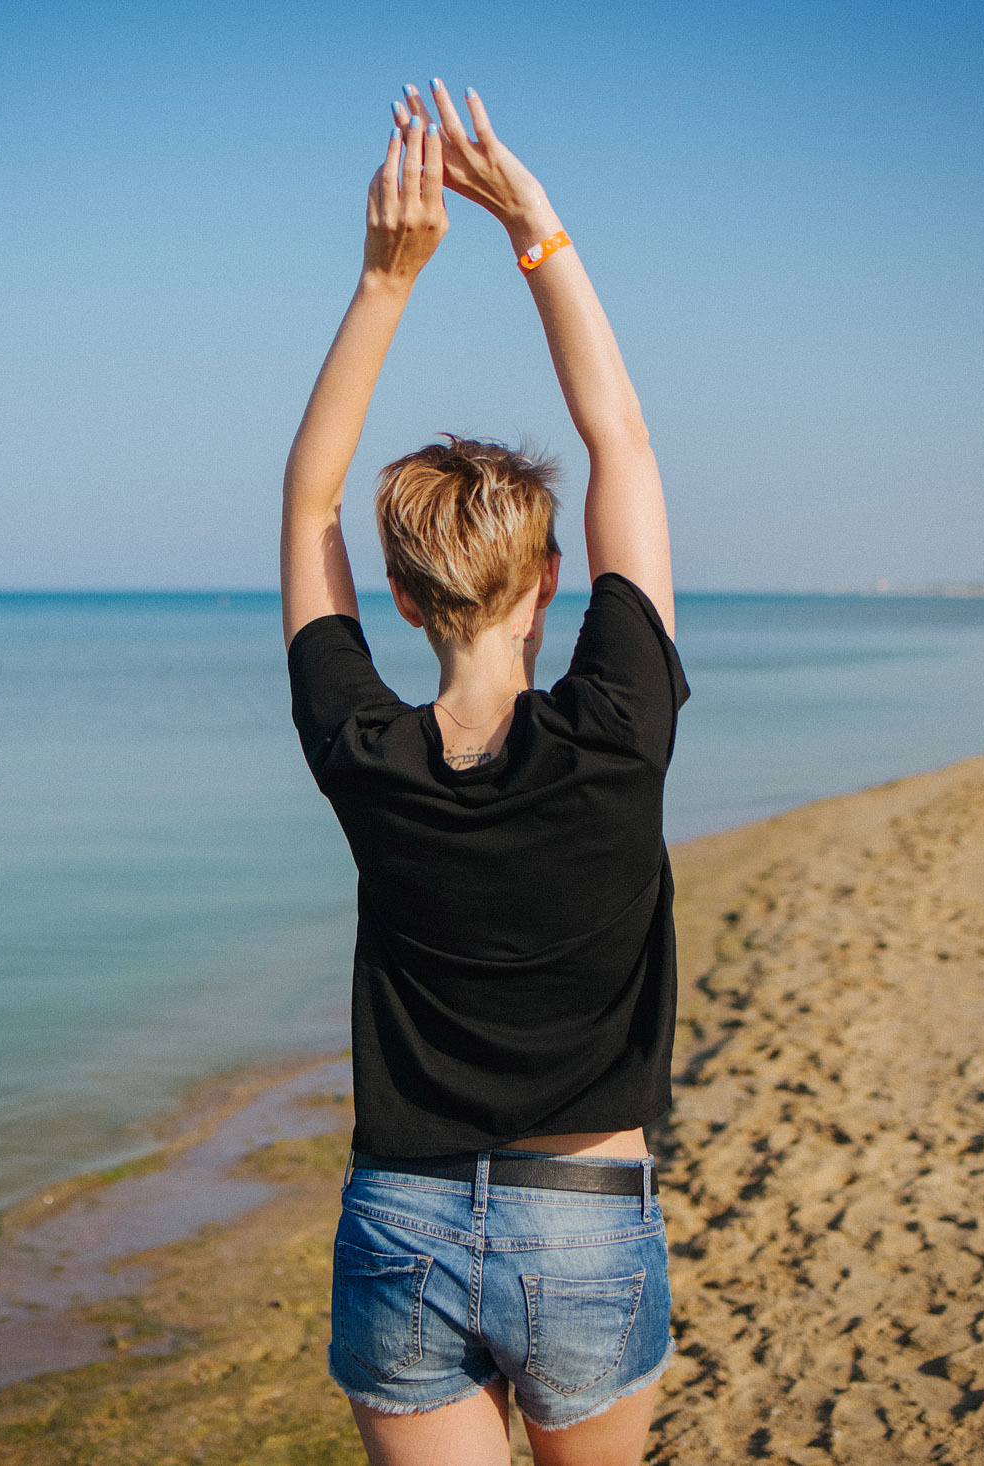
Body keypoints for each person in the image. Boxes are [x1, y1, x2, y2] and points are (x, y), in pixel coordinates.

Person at [281, 80, 687, 1466]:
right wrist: (536, 230)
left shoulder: (367, 753)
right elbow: (619, 438)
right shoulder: (621, 728)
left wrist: (388, 279)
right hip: (585, 1215)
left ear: (399, 599)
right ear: (552, 580)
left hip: (399, 1217)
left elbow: (307, 499)